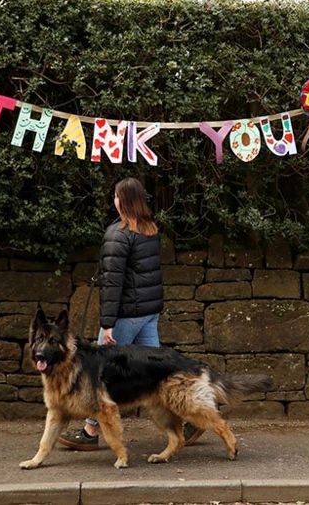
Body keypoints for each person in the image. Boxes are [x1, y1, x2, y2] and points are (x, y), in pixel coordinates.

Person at [58, 177, 202, 450]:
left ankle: (89, 430)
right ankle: (189, 419)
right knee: (158, 373)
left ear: (121, 200)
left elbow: (114, 283)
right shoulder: (149, 229)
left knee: (97, 371)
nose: (113, 200)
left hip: (125, 314)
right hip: (149, 312)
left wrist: (108, 324)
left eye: (115, 196)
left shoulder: (118, 234)